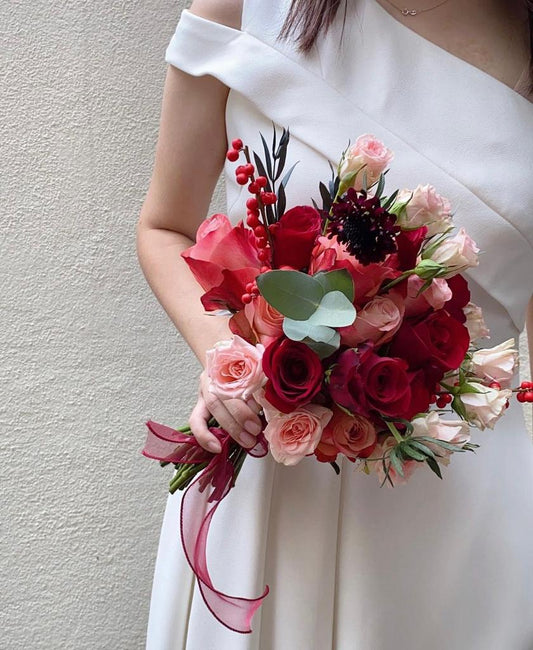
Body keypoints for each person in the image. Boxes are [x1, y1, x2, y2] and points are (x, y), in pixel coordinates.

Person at [136, 0, 533, 647]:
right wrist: (231, 365)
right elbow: (163, 227)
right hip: (278, 470)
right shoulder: (244, 8)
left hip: (465, 508)